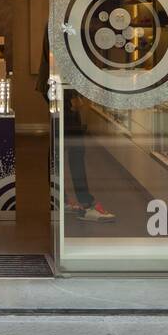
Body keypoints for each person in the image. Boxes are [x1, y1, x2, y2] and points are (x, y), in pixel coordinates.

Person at [36, 29, 114, 223]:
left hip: (59, 88)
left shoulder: (60, 16)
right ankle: (85, 204)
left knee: (61, 147)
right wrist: (72, 96)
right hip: (61, 89)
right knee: (74, 148)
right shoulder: (61, 18)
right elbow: (60, 58)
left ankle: (59, 200)